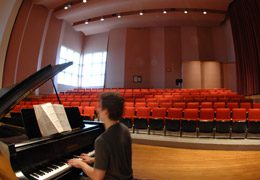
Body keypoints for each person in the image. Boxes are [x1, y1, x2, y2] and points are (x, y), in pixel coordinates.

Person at [68, 92, 133, 180]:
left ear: (106, 111)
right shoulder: (124, 130)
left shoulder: (102, 140)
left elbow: (97, 177)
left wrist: (81, 164)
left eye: (99, 106)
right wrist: (93, 160)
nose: (97, 109)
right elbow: (115, 158)